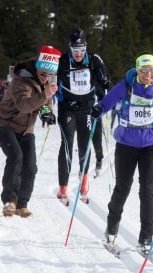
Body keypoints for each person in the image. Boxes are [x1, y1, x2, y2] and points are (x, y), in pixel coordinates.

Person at [91, 52, 153, 255]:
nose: (148, 75)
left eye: (152, 71)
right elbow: (108, 102)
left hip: (151, 145)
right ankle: (111, 229)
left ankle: (146, 238)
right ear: (137, 70)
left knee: (147, 190)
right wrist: (97, 110)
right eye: (144, 71)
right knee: (122, 188)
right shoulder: (126, 86)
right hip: (126, 144)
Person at [0, 45, 61, 217]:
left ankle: (22, 204)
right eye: (43, 73)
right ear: (38, 67)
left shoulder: (47, 83)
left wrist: (47, 113)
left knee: (30, 166)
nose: (46, 77)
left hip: (26, 129)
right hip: (5, 124)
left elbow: (46, 104)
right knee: (16, 156)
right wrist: (45, 94)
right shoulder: (20, 80)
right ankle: (10, 201)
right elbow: (24, 106)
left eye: (49, 75)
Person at [56, 28, 110, 205]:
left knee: (85, 146)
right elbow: (51, 83)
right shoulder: (62, 61)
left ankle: (84, 181)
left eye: (81, 49)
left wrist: (104, 79)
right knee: (67, 144)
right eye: (75, 50)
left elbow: (107, 81)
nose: (78, 54)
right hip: (67, 108)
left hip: (86, 108)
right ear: (70, 48)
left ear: (85, 47)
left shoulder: (94, 60)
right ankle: (63, 187)